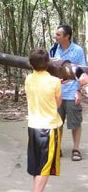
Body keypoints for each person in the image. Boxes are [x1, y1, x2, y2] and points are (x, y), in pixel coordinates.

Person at [25, 48, 62, 192]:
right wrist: (58, 84)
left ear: (31, 64)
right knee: (45, 168)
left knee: (37, 167)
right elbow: (57, 104)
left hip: (33, 127)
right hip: (49, 128)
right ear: (47, 62)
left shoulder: (28, 78)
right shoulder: (55, 82)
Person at [52, 24, 86, 161]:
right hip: (57, 92)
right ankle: (56, 148)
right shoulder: (53, 49)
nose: (56, 37)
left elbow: (82, 73)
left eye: (58, 35)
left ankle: (76, 149)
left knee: (75, 123)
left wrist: (79, 91)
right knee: (56, 122)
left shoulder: (78, 51)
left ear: (67, 37)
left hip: (72, 92)